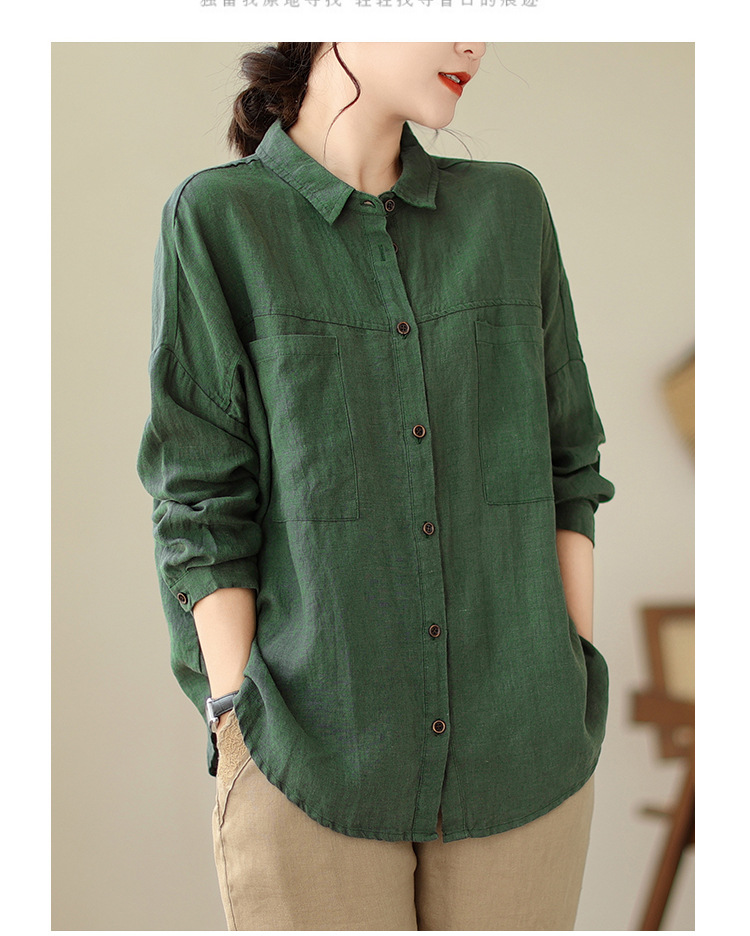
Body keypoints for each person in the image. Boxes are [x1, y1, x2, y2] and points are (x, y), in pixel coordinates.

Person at [136, 42, 616, 931]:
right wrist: (236, 714)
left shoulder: (510, 210)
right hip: (306, 752)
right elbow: (200, 499)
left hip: (526, 742)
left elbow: (567, 463)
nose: (473, 42)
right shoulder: (219, 219)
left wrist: (572, 668)